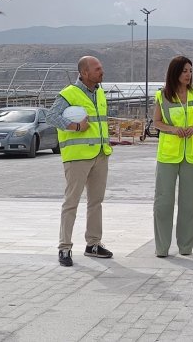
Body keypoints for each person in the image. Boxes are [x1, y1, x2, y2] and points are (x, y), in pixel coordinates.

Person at [44, 56, 114, 267]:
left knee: (96, 202)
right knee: (71, 202)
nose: (102, 71)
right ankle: (64, 247)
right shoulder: (69, 93)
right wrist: (75, 127)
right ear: (84, 73)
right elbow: (51, 116)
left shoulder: (99, 92)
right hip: (77, 157)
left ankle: (93, 244)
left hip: (100, 154)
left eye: (101, 67)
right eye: (97, 69)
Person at [153, 55, 193, 257]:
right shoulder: (162, 95)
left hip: (190, 155)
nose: (188, 74)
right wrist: (173, 129)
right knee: (163, 201)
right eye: (184, 71)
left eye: (190, 71)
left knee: (190, 203)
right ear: (175, 72)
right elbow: (157, 122)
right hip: (168, 155)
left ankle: (186, 246)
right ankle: (162, 247)